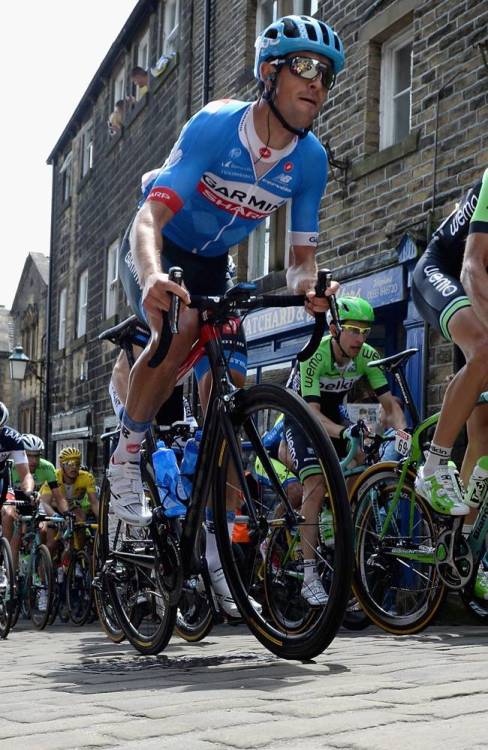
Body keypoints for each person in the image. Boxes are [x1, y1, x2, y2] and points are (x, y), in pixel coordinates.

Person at [108, 14, 344, 613]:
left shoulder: (310, 160)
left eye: (327, 75)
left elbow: (300, 261)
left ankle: (214, 537)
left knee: (231, 384)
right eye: (306, 68)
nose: (318, 83)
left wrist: (311, 287)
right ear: (269, 74)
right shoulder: (218, 126)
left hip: (217, 265)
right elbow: (148, 220)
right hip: (165, 247)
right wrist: (155, 275)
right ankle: (127, 458)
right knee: (181, 326)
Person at [288, 296, 406, 604]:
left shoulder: (367, 355)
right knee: (315, 484)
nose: (360, 338)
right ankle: (309, 574)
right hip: (302, 418)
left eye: (365, 332)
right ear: (334, 328)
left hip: (335, 419)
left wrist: (402, 433)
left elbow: (389, 404)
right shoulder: (315, 353)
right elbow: (312, 413)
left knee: (355, 483)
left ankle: (348, 573)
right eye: (353, 330)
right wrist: (345, 431)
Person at [412, 169, 488, 598]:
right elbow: (473, 266)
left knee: (483, 438)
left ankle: (464, 545)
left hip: (480, 294)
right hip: (444, 272)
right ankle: (434, 464)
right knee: (483, 348)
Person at [0, 404, 35, 566]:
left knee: (8, 513)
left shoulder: (12, 437)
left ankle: (2, 559)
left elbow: (25, 474)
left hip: (2, 478)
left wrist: (29, 491)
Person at [40, 447, 99, 523]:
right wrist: (54, 516)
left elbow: (94, 502)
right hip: (50, 505)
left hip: (68, 506)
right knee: (49, 527)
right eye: (69, 464)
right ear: (62, 465)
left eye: (77, 463)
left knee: (80, 521)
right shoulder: (54, 477)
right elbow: (45, 503)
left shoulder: (86, 477)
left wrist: (101, 523)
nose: (74, 467)